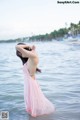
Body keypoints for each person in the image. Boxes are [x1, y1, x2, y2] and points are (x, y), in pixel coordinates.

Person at [15, 42, 55, 117]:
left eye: (20, 52)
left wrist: (28, 46)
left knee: (34, 107)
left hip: (31, 83)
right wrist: (30, 48)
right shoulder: (29, 58)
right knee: (32, 105)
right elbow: (19, 48)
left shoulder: (33, 56)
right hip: (29, 83)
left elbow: (17, 47)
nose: (21, 54)